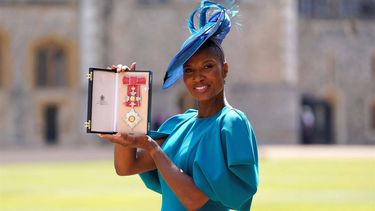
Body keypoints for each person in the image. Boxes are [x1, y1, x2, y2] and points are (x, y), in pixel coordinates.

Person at [99, 1, 259, 210]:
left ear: (225, 69)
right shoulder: (180, 124)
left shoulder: (231, 123)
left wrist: (153, 148)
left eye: (208, 66)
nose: (198, 77)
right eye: (189, 70)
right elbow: (126, 166)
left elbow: (193, 199)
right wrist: (124, 107)